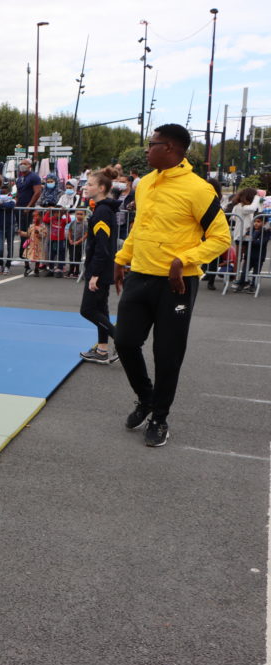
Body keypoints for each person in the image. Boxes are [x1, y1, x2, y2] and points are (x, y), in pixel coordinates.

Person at [113, 123, 231, 448]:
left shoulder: (198, 189)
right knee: (124, 341)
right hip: (140, 275)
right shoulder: (145, 183)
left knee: (167, 355)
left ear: (170, 149)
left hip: (176, 283)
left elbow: (222, 237)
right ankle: (146, 398)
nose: (146, 149)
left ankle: (159, 418)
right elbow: (140, 228)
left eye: (151, 144)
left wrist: (186, 259)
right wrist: (122, 258)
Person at [78, 168, 120, 364]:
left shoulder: (102, 211)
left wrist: (94, 274)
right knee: (101, 310)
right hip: (102, 268)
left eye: (91, 184)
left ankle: (121, 340)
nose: (86, 187)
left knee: (87, 310)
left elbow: (103, 247)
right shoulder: (103, 208)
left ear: (102, 188)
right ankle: (102, 350)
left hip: (99, 269)